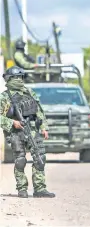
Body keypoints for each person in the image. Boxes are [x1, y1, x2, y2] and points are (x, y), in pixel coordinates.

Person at [0, 66, 55, 198]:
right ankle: (22, 189)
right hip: (15, 132)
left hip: (33, 130)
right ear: (9, 79)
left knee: (40, 157)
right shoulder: (4, 97)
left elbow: (39, 111)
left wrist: (44, 127)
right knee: (20, 160)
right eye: (15, 78)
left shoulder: (29, 92)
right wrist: (13, 122)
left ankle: (40, 188)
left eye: (20, 77)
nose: (19, 80)